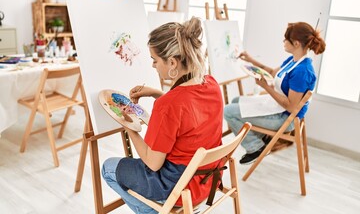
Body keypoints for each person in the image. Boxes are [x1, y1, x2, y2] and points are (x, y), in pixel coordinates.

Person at [101, 17, 224, 214]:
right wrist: (156, 93)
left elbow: (153, 163)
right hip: (205, 180)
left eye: (154, 60)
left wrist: (128, 126)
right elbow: (188, 112)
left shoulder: (168, 105)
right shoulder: (211, 84)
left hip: (177, 187)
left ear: (173, 62)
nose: (152, 66)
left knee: (108, 168)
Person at [224, 21, 326, 165]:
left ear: (296, 43)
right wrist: (250, 59)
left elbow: (291, 107)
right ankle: (259, 137)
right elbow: (272, 72)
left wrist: (266, 87)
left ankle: (255, 147)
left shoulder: (302, 71)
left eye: (286, 39)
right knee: (235, 101)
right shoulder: (294, 60)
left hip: (284, 118)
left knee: (228, 111)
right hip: (277, 108)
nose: (283, 41)